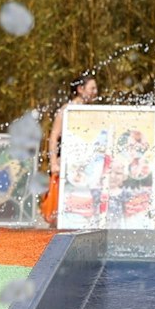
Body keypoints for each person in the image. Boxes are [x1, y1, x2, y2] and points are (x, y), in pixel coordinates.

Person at [39, 73, 99, 224]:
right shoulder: (67, 110)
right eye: (92, 88)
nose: (95, 92)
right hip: (67, 166)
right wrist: (53, 163)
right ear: (80, 89)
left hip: (86, 168)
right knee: (62, 209)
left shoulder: (93, 111)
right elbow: (54, 137)